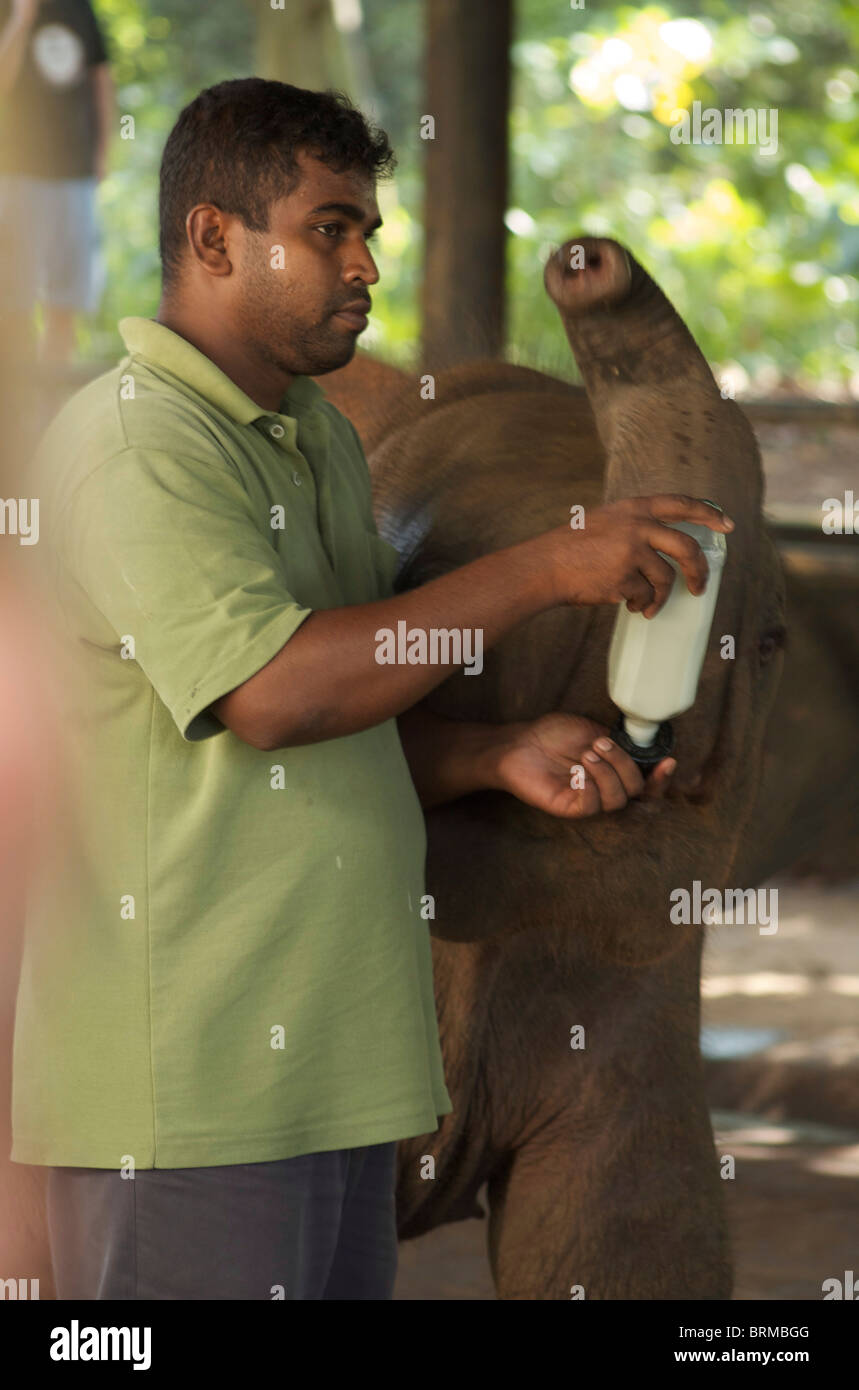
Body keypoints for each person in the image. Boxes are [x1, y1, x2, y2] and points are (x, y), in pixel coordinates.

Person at [10, 78, 732, 1300]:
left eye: (370, 234)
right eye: (330, 229)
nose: (365, 267)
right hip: (193, 1095)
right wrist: (548, 565)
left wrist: (492, 753)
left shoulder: (316, 439)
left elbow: (335, 717)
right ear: (212, 239)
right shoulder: (139, 444)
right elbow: (275, 695)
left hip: (330, 1084)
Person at [0, 0, 112, 362]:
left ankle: (52, 406)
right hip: (16, 173)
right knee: (13, 302)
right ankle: (16, 401)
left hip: (75, 173)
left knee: (66, 301)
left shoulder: (80, 7)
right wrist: (20, 20)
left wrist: (103, 152)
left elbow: (102, 78)